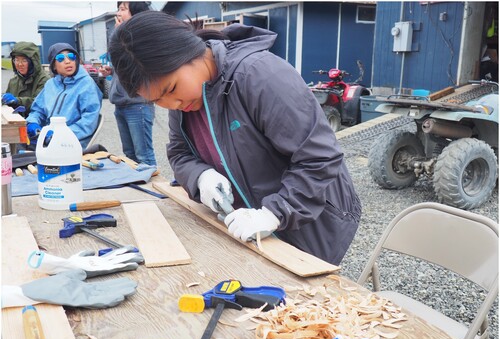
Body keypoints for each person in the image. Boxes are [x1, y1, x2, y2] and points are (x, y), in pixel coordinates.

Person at [108, 11, 362, 265]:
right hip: (245, 227)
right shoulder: (183, 102)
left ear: (187, 52)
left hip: (308, 222)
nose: (172, 103)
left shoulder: (260, 76)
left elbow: (319, 157)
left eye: (171, 88)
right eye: (157, 101)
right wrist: (200, 177)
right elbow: (179, 153)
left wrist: (275, 212)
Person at [98, 1, 157, 167]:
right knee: (129, 155)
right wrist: (112, 71)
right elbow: (121, 62)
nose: (118, 13)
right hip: (122, 105)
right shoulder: (123, 37)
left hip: (138, 104)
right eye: (118, 8)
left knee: (144, 155)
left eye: (123, 9)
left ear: (136, 14)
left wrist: (118, 34)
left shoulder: (143, 39)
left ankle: (152, 189)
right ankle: (137, 188)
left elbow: (134, 62)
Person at [26, 43, 102, 150]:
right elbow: (38, 110)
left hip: (71, 143)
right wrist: (32, 122)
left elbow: (88, 121)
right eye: (60, 58)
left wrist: (59, 136)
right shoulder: (50, 84)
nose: (67, 61)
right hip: (46, 140)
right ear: (54, 66)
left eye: (71, 57)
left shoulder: (86, 84)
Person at [2, 41, 50, 118]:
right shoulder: (13, 81)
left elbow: (39, 104)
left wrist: (17, 101)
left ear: (33, 62)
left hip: (36, 124)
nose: (20, 64)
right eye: (16, 60)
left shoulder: (45, 80)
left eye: (24, 60)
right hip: (16, 123)